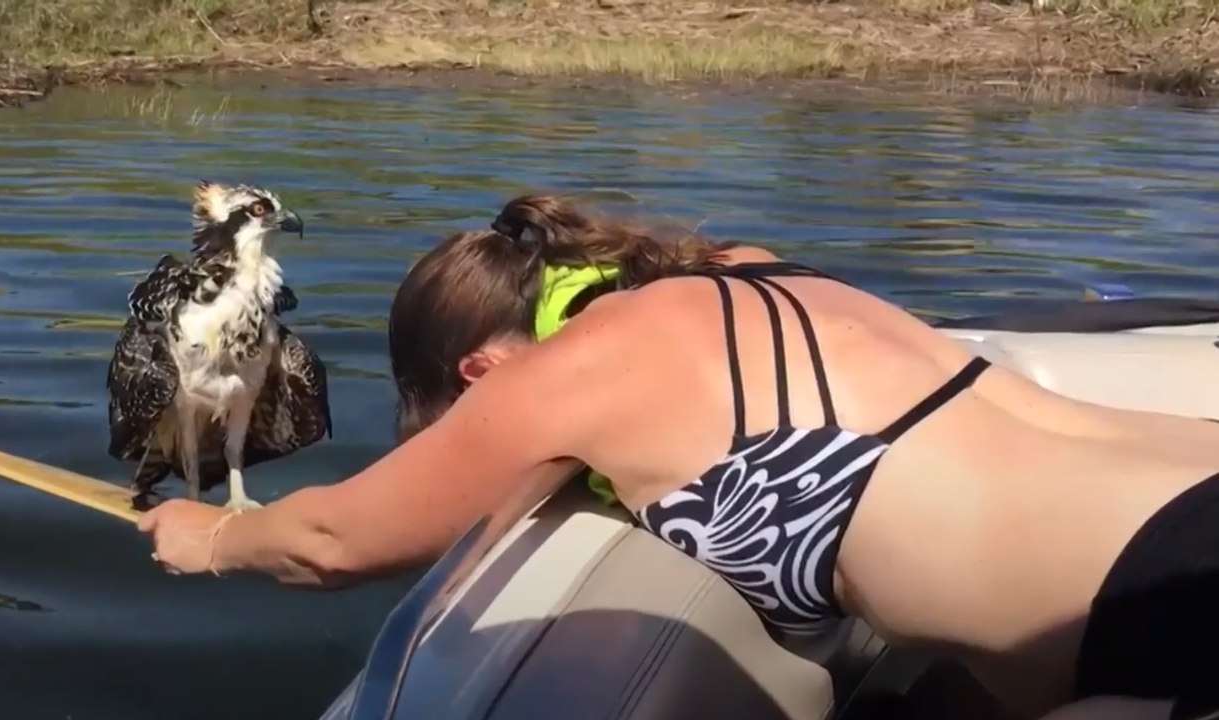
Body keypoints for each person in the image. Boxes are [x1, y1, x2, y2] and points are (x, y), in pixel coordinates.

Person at [138, 194, 1219, 720]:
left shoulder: (594, 364)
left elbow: (333, 539)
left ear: (478, 376)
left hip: (1171, 596)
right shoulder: (743, 274)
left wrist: (210, 537)